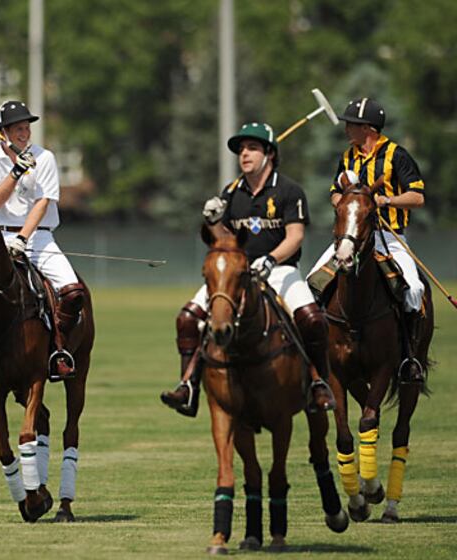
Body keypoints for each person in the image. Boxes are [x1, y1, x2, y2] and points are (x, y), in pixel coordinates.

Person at [161, 122, 335, 416]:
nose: (244, 154)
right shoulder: (230, 193)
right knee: (187, 319)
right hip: (235, 274)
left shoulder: (289, 190)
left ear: (269, 153)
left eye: (252, 148)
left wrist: (270, 259)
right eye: (241, 149)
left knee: (312, 319)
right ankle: (188, 386)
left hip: (279, 270)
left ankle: (319, 383)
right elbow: (222, 240)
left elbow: (295, 236)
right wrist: (212, 220)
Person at [0, 99, 84, 380]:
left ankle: (58, 351)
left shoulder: (45, 157)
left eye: (26, 127)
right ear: (3, 131)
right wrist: (15, 173)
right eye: (17, 128)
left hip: (39, 238)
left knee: (71, 291)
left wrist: (23, 238)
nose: (24, 133)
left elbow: (43, 202)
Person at [308, 98, 426, 383]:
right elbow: (335, 191)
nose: (347, 128)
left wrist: (386, 200)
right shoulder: (348, 157)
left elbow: (418, 197)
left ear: (369, 128)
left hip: (390, 236)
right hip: (353, 235)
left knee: (414, 290)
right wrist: (345, 201)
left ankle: (409, 357)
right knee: (313, 282)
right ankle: (320, 355)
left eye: (352, 124)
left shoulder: (396, 155)